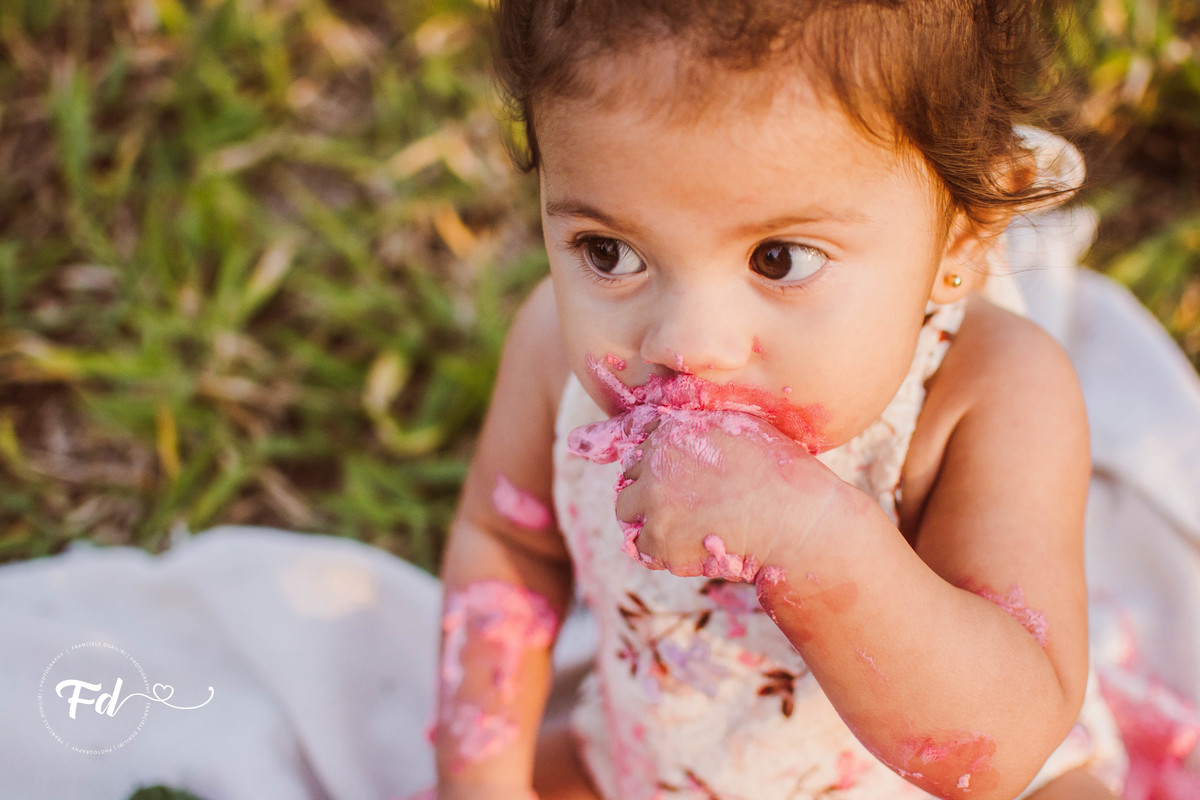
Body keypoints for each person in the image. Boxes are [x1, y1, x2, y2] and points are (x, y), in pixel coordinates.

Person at [429, 1, 1136, 798]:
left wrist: (807, 535)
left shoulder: (991, 392)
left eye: (779, 259)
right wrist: (481, 777)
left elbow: (1001, 745)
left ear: (963, 237)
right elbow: (508, 544)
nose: (686, 344)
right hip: (656, 764)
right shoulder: (552, 351)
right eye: (610, 251)